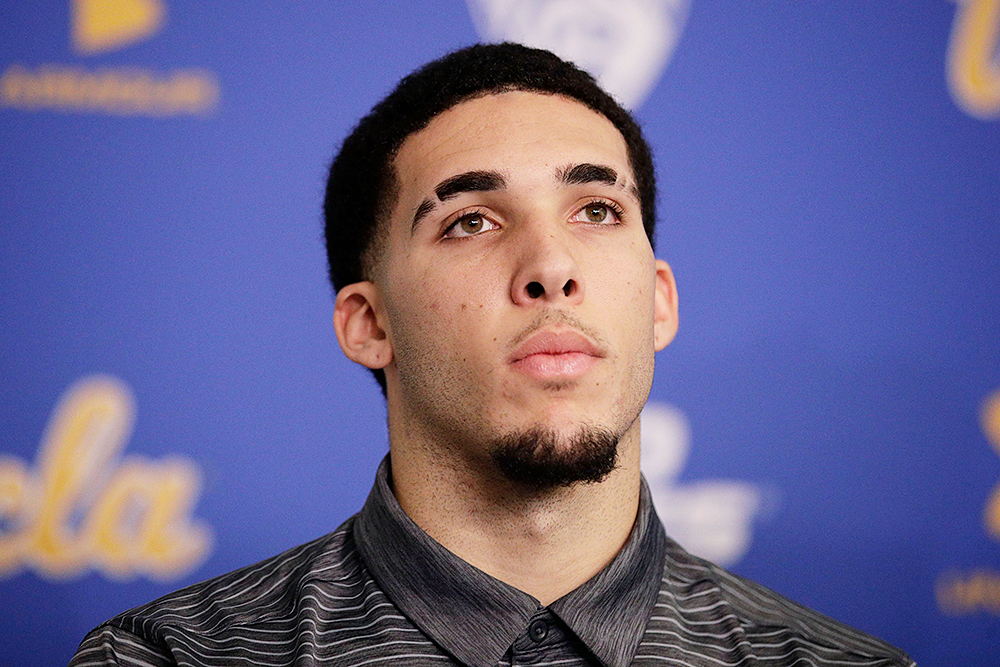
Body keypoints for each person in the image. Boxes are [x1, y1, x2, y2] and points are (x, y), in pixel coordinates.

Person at [69, 43, 914, 667]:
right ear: (369, 322)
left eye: (595, 210)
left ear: (659, 299)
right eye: (470, 220)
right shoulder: (170, 659)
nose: (552, 267)